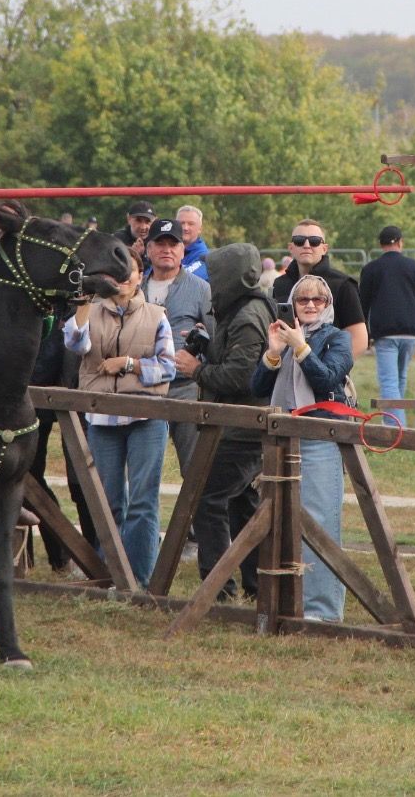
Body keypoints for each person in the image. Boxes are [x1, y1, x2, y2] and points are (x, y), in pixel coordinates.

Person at [64, 259, 175, 588]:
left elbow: (169, 368)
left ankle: (139, 579)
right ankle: (110, 575)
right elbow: (74, 343)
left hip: (146, 417)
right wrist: (84, 305)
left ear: (141, 276)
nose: (123, 279)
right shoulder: (92, 312)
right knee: (108, 501)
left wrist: (130, 364)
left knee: (143, 500)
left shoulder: (157, 315)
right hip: (101, 419)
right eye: (116, 272)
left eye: (130, 272)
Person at [251, 273, 353, 621]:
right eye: (302, 300)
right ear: (292, 304)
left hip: (319, 438)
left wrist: (301, 347)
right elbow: (257, 386)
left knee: (320, 521)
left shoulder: (336, 338)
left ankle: (323, 610)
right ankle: (282, 600)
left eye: (318, 300)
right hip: (280, 438)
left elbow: (327, 378)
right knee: (278, 520)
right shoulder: (283, 336)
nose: (310, 305)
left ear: (328, 306)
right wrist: (273, 353)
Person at [174, 242, 273, 602]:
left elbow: (242, 377)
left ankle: (218, 590)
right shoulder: (243, 310)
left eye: (216, 275)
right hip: (240, 425)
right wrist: (207, 344)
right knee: (239, 502)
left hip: (242, 428)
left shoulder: (248, 316)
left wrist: (196, 369)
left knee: (206, 498)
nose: (212, 282)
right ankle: (256, 585)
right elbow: (234, 360)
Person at [141, 218, 212, 473]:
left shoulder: (202, 289)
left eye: (173, 244)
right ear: (148, 249)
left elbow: (215, 339)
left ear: (183, 250)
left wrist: (202, 341)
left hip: (185, 389)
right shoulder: (135, 288)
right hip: (141, 388)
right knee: (143, 470)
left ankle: (195, 514)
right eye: (160, 244)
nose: (167, 250)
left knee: (194, 469)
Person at [358, 225, 415, 425]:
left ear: (381, 244)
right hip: (411, 331)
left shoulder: (371, 269)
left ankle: (395, 428)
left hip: (385, 333)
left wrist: (363, 333)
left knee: (389, 382)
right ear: (400, 242)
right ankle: (396, 422)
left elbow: (362, 304)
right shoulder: (414, 267)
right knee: (400, 379)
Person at [272, 219, 367, 354]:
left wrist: (334, 369)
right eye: (299, 240)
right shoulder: (280, 284)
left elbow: (359, 338)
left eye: (314, 241)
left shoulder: (343, 284)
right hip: (285, 369)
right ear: (291, 247)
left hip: (326, 368)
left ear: (324, 248)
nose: (306, 245)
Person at [114, 200, 155, 267]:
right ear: (129, 219)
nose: (143, 227)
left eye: (148, 221)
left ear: (155, 221)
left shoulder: (158, 240)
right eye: (138, 220)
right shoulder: (117, 240)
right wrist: (132, 255)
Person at [176, 205, 209, 281]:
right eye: (181, 223)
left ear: (200, 229)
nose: (185, 228)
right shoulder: (166, 249)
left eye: (191, 224)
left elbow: (185, 280)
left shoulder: (203, 256)